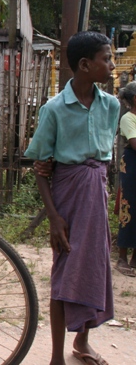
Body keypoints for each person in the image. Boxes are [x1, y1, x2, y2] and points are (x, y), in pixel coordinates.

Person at [25, 31, 118, 365]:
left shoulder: (111, 105)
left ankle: (82, 342)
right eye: (106, 59)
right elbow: (41, 168)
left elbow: (106, 157)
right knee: (64, 272)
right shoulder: (54, 109)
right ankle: (55, 357)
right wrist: (53, 217)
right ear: (84, 65)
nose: (111, 64)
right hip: (68, 197)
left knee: (94, 267)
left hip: (97, 195)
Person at [115, 81, 136, 277]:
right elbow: (134, 143)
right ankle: (122, 257)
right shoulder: (128, 118)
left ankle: (135, 259)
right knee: (128, 207)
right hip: (132, 165)